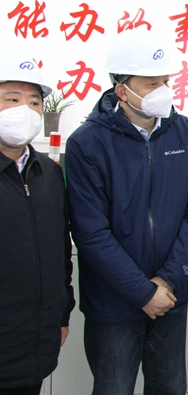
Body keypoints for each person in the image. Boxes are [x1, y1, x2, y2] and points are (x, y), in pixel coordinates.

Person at [65, 29, 188, 395]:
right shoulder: (87, 143)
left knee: (170, 387)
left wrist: (166, 281)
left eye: (165, 82)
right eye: (151, 84)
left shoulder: (185, 133)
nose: (163, 91)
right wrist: (142, 292)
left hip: (171, 297)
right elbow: (91, 232)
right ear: (122, 90)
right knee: (113, 387)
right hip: (113, 302)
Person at [0, 52, 75, 395]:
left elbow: (60, 252)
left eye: (33, 102)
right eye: (12, 99)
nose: (25, 110)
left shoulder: (49, 173)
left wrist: (61, 315)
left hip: (35, 345)